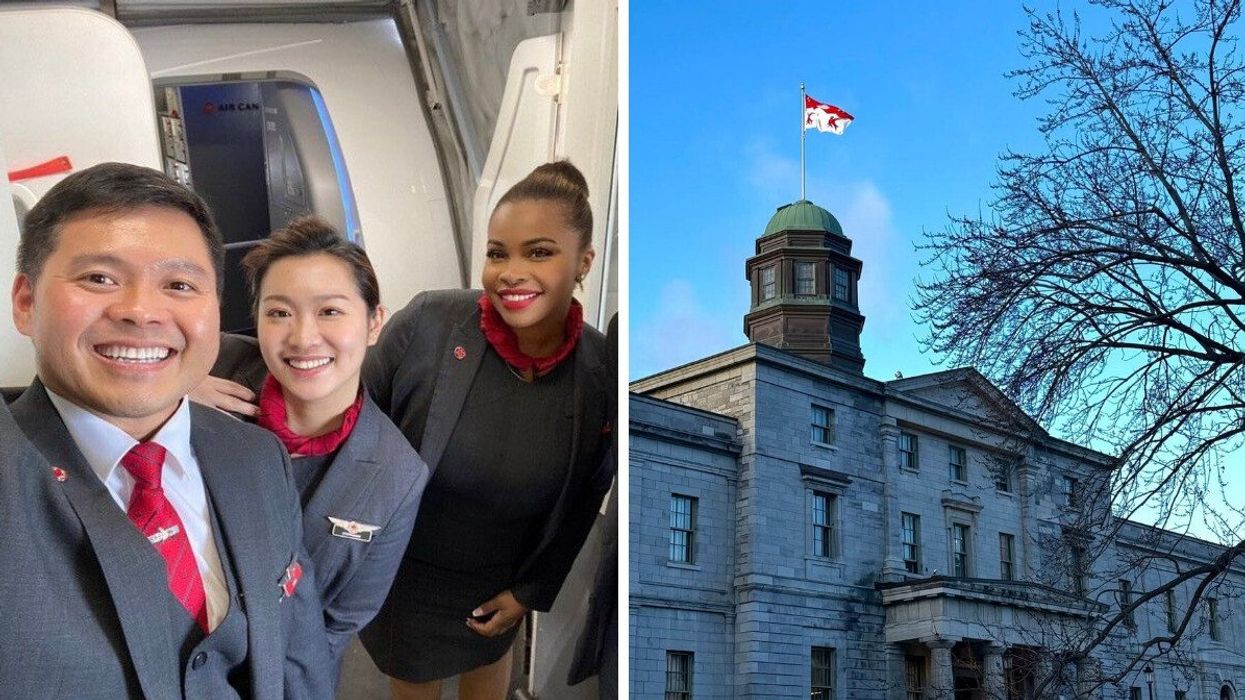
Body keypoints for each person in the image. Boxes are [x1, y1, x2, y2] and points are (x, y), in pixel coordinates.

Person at [0, 162, 331, 699]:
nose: (141, 311)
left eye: (179, 284)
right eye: (99, 278)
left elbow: (299, 654)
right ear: (26, 301)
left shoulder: (255, 457)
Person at [358, 161, 616, 700]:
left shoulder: (599, 367)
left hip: (502, 580)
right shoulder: (431, 321)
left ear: (583, 262)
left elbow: (589, 487)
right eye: (498, 253)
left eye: (539, 253)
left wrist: (530, 592)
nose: (511, 271)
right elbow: (345, 410)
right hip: (409, 575)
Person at [206, 217, 429, 672]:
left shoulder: (396, 476)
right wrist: (158, 396)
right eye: (279, 313)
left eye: (329, 311)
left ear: (373, 324)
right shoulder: (201, 369)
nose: (303, 338)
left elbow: (337, 625)